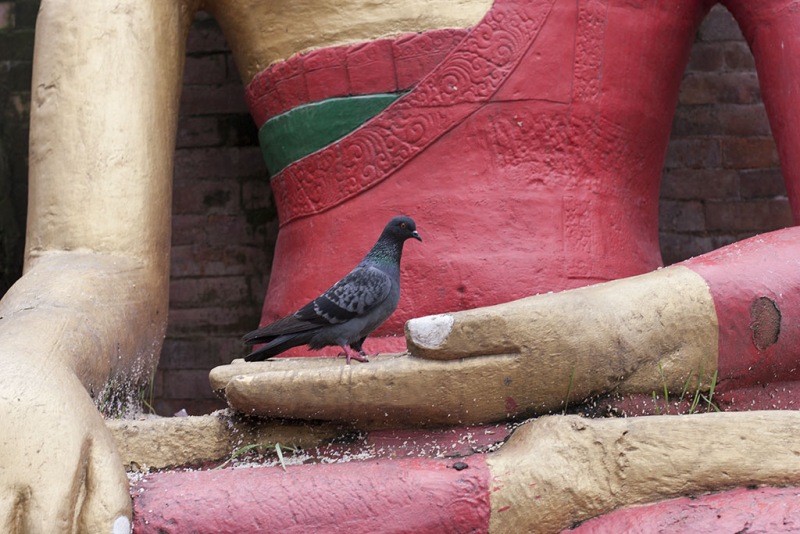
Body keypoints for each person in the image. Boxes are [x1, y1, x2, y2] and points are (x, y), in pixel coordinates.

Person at [1, 0, 798, 531]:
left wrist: (629, 328)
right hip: (302, 436)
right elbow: (86, 256)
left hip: (635, 412)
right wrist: (24, 366)